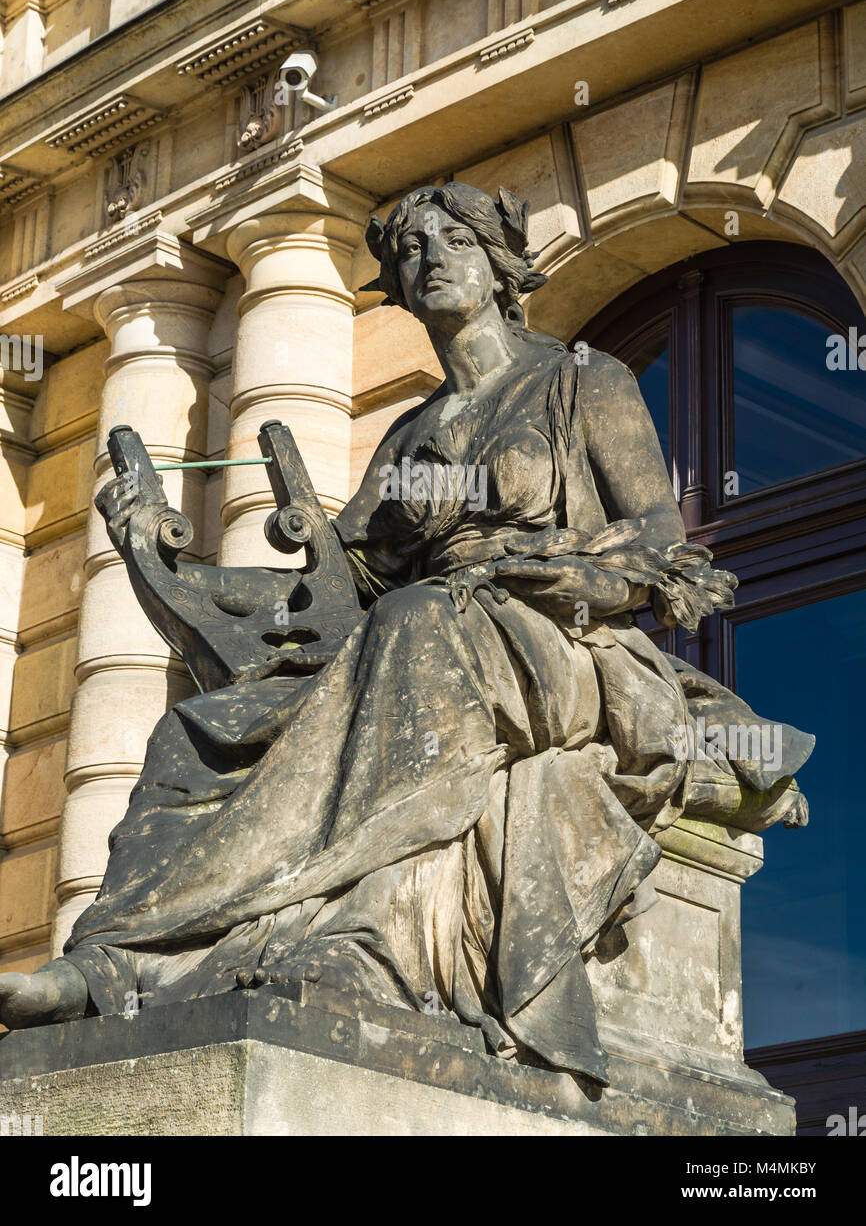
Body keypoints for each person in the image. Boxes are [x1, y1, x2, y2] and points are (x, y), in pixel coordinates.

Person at [0, 183, 812, 1086]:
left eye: (453, 238)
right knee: (204, 727)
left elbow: (665, 554)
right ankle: (115, 957)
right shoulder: (412, 435)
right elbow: (323, 591)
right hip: (429, 644)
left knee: (418, 620)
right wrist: (157, 553)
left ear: (499, 264)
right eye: (412, 248)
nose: (430, 257)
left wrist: (542, 572)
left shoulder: (584, 381)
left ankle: (350, 941)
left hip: (567, 644)